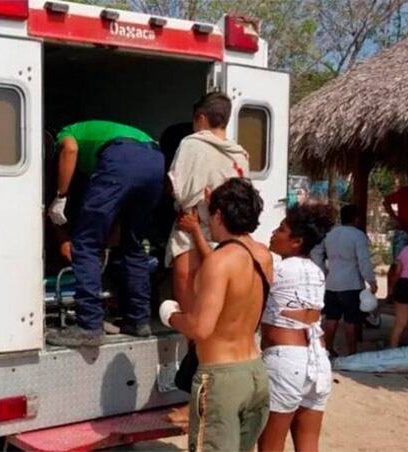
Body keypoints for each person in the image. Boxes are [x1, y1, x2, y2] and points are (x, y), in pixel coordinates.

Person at [160, 178, 273, 452]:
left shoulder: (219, 263)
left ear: (220, 215)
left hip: (221, 378)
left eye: (211, 214)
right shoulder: (263, 256)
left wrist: (171, 315)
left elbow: (200, 329)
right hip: (255, 372)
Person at [46, 120, 164, 347]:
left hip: (121, 157)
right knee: (134, 244)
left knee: (85, 244)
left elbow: (70, 149)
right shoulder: (106, 131)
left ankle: (89, 326)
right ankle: (139, 320)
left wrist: (61, 196)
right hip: (156, 161)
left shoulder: (66, 133)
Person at [167, 92, 250, 315]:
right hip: (227, 229)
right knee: (218, 284)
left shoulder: (192, 143)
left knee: (187, 280)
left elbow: (178, 185)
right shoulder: (240, 154)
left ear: (201, 118)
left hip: (193, 222)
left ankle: (192, 337)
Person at [258, 204, 333, 452]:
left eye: (281, 229)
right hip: (318, 359)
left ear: (296, 241)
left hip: (286, 360)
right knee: (308, 442)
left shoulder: (277, 270)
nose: (273, 233)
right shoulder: (317, 272)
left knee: (270, 443)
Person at [311, 204, 377, 356]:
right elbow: (364, 260)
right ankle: (352, 353)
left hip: (332, 282)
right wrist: (371, 280)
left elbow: (316, 253)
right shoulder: (358, 235)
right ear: (355, 218)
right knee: (351, 320)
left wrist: (323, 272)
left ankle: (328, 350)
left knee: (331, 318)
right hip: (351, 284)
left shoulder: (330, 234)